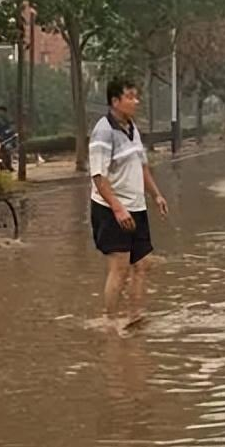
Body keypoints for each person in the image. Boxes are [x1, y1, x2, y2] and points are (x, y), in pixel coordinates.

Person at [89, 78, 169, 329]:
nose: (137, 101)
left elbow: (141, 166)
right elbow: (99, 177)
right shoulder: (103, 131)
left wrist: (156, 194)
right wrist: (117, 208)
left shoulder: (132, 127)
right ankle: (110, 322)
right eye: (131, 97)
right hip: (111, 208)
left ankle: (135, 317)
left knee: (142, 265)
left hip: (137, 206)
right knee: (119, 267)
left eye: (137, 96)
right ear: (115, 101)